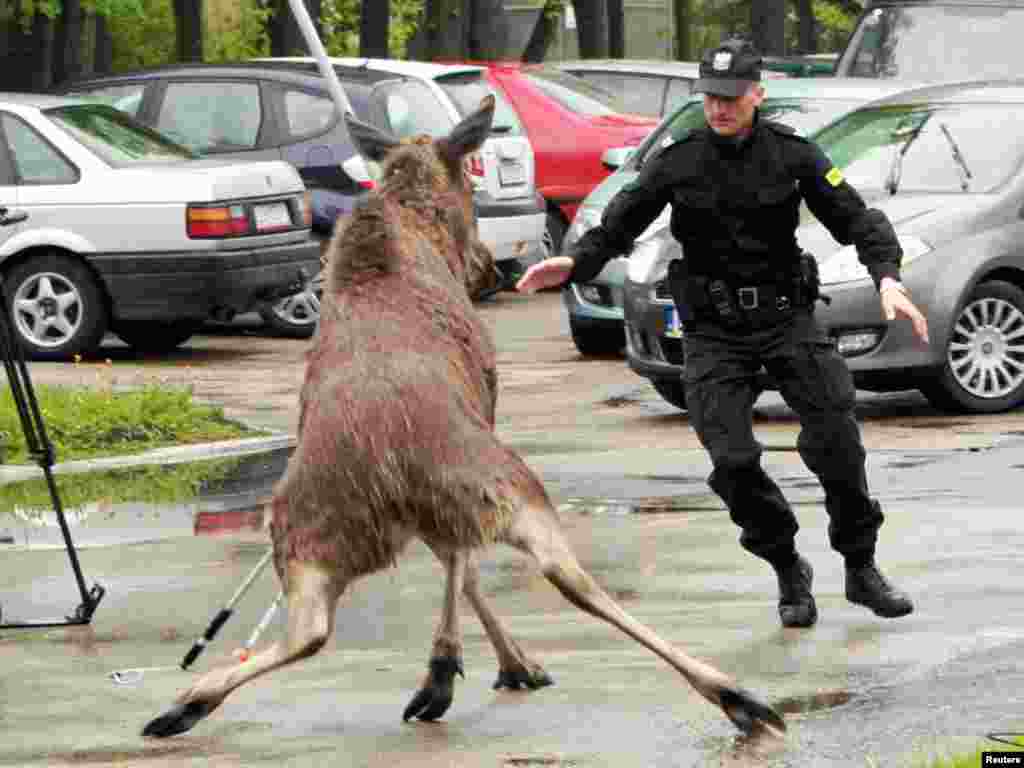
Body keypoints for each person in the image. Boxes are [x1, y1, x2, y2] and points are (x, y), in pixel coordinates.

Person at [515, 38, 930, 629]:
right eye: (710, 97)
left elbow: (857, 220)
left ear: (757, 94)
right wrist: (574, 262)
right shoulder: (679, 159)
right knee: (732, 462)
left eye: (732, 98)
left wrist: (887, 278)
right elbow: (620, 222)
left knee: (837, 441)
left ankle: (860, 566)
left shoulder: (794, 155)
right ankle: (788, 565)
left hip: (787, 320)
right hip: (713, 331)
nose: (720, 108)